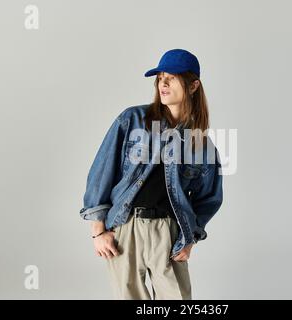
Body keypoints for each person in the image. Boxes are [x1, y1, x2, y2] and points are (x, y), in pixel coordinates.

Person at [79, 48, 223, 300]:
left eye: (172, 77)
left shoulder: (201, 144)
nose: (163, 83)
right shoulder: (132, 120)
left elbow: (209, 197)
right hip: (126, 228)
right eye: (159, 77)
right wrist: (98, 230)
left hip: (169, 232)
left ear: (193, 85)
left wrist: (191, 237)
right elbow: (101, 172)